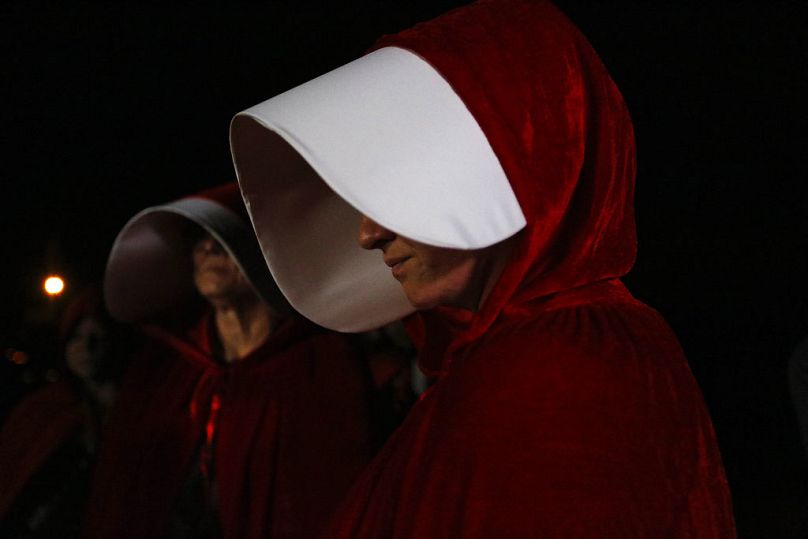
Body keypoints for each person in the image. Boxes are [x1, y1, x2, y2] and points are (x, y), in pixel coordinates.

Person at [229, 0, 736, 536]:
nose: (368, 235)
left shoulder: (556, 370)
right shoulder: (542, 350)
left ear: (503, 162)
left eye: (392, 189)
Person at [83, 183, 375, 538]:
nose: (207, 249)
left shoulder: (318, 361)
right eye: (198, 239)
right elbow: (122, 492)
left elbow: (332, 487)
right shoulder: (167, 367)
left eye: (221, 237)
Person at [0, 287, 133, 537]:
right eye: (76, 337)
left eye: (98, 337)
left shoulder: (141, 412)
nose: (86, 348)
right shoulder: (44, 409)